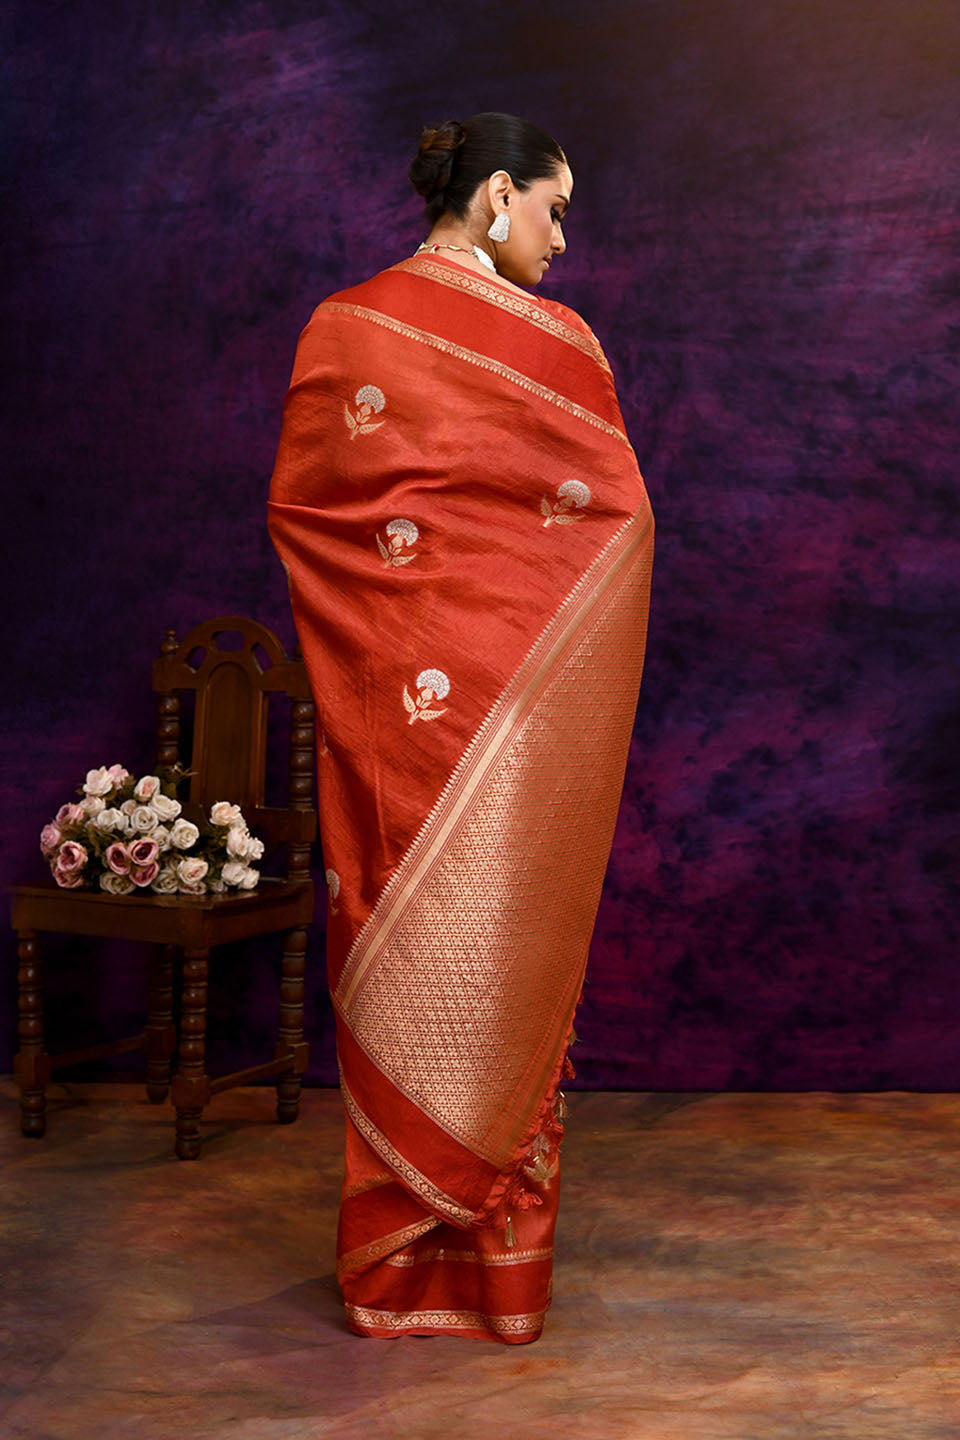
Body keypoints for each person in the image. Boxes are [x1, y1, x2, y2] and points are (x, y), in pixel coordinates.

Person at [267, 112, 655, 1343]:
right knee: (467, 963)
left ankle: (418, 1272)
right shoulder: (516, 342)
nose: (562, 237)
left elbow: (311, 513)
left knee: (466, 959)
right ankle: (463, 1273)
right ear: (495, 195)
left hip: (442, 709)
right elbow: (617, 523)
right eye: (554, 208)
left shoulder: (348, 323)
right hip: (474, 715)